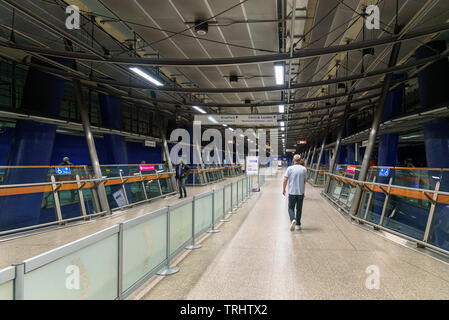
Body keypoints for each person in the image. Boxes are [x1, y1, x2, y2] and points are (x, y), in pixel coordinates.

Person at [283, 154, 308, 231]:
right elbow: (306, 180)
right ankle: (298, 225)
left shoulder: (289, 168)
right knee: (299, 209)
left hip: (292, 192)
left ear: (293, 160)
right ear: (300, 161)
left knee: (290, 208)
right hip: (300, 192)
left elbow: (285, 180)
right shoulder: (304, 169)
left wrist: (283, 189)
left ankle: (293, 219)